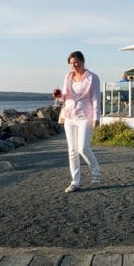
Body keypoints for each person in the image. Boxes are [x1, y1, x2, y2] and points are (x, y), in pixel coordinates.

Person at [53, 51, 101, 193]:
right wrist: (58, 95)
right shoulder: (68, 76)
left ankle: (96, 173)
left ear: (82, 61)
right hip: (69, 116)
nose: (74, 65)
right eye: (71, 63)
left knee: (83, 148)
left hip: (85, 116)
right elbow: (65, 97)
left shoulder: (92, 77)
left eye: (76, 62)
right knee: (72, 151)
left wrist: (97, 117)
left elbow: (96, 98)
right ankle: (75, 181)